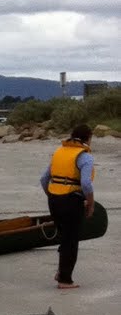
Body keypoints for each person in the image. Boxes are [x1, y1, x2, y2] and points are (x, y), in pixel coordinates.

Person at [40, 122, 96, 289]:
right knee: (71, 240)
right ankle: (65, 280)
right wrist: (91, 203)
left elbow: (44, 179)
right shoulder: (85, 156)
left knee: (64, 237)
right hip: (71, 201)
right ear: (88, 138)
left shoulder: (59, 152)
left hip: (54, 199)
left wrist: (52, 195)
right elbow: (86, 184)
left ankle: (61, 272)